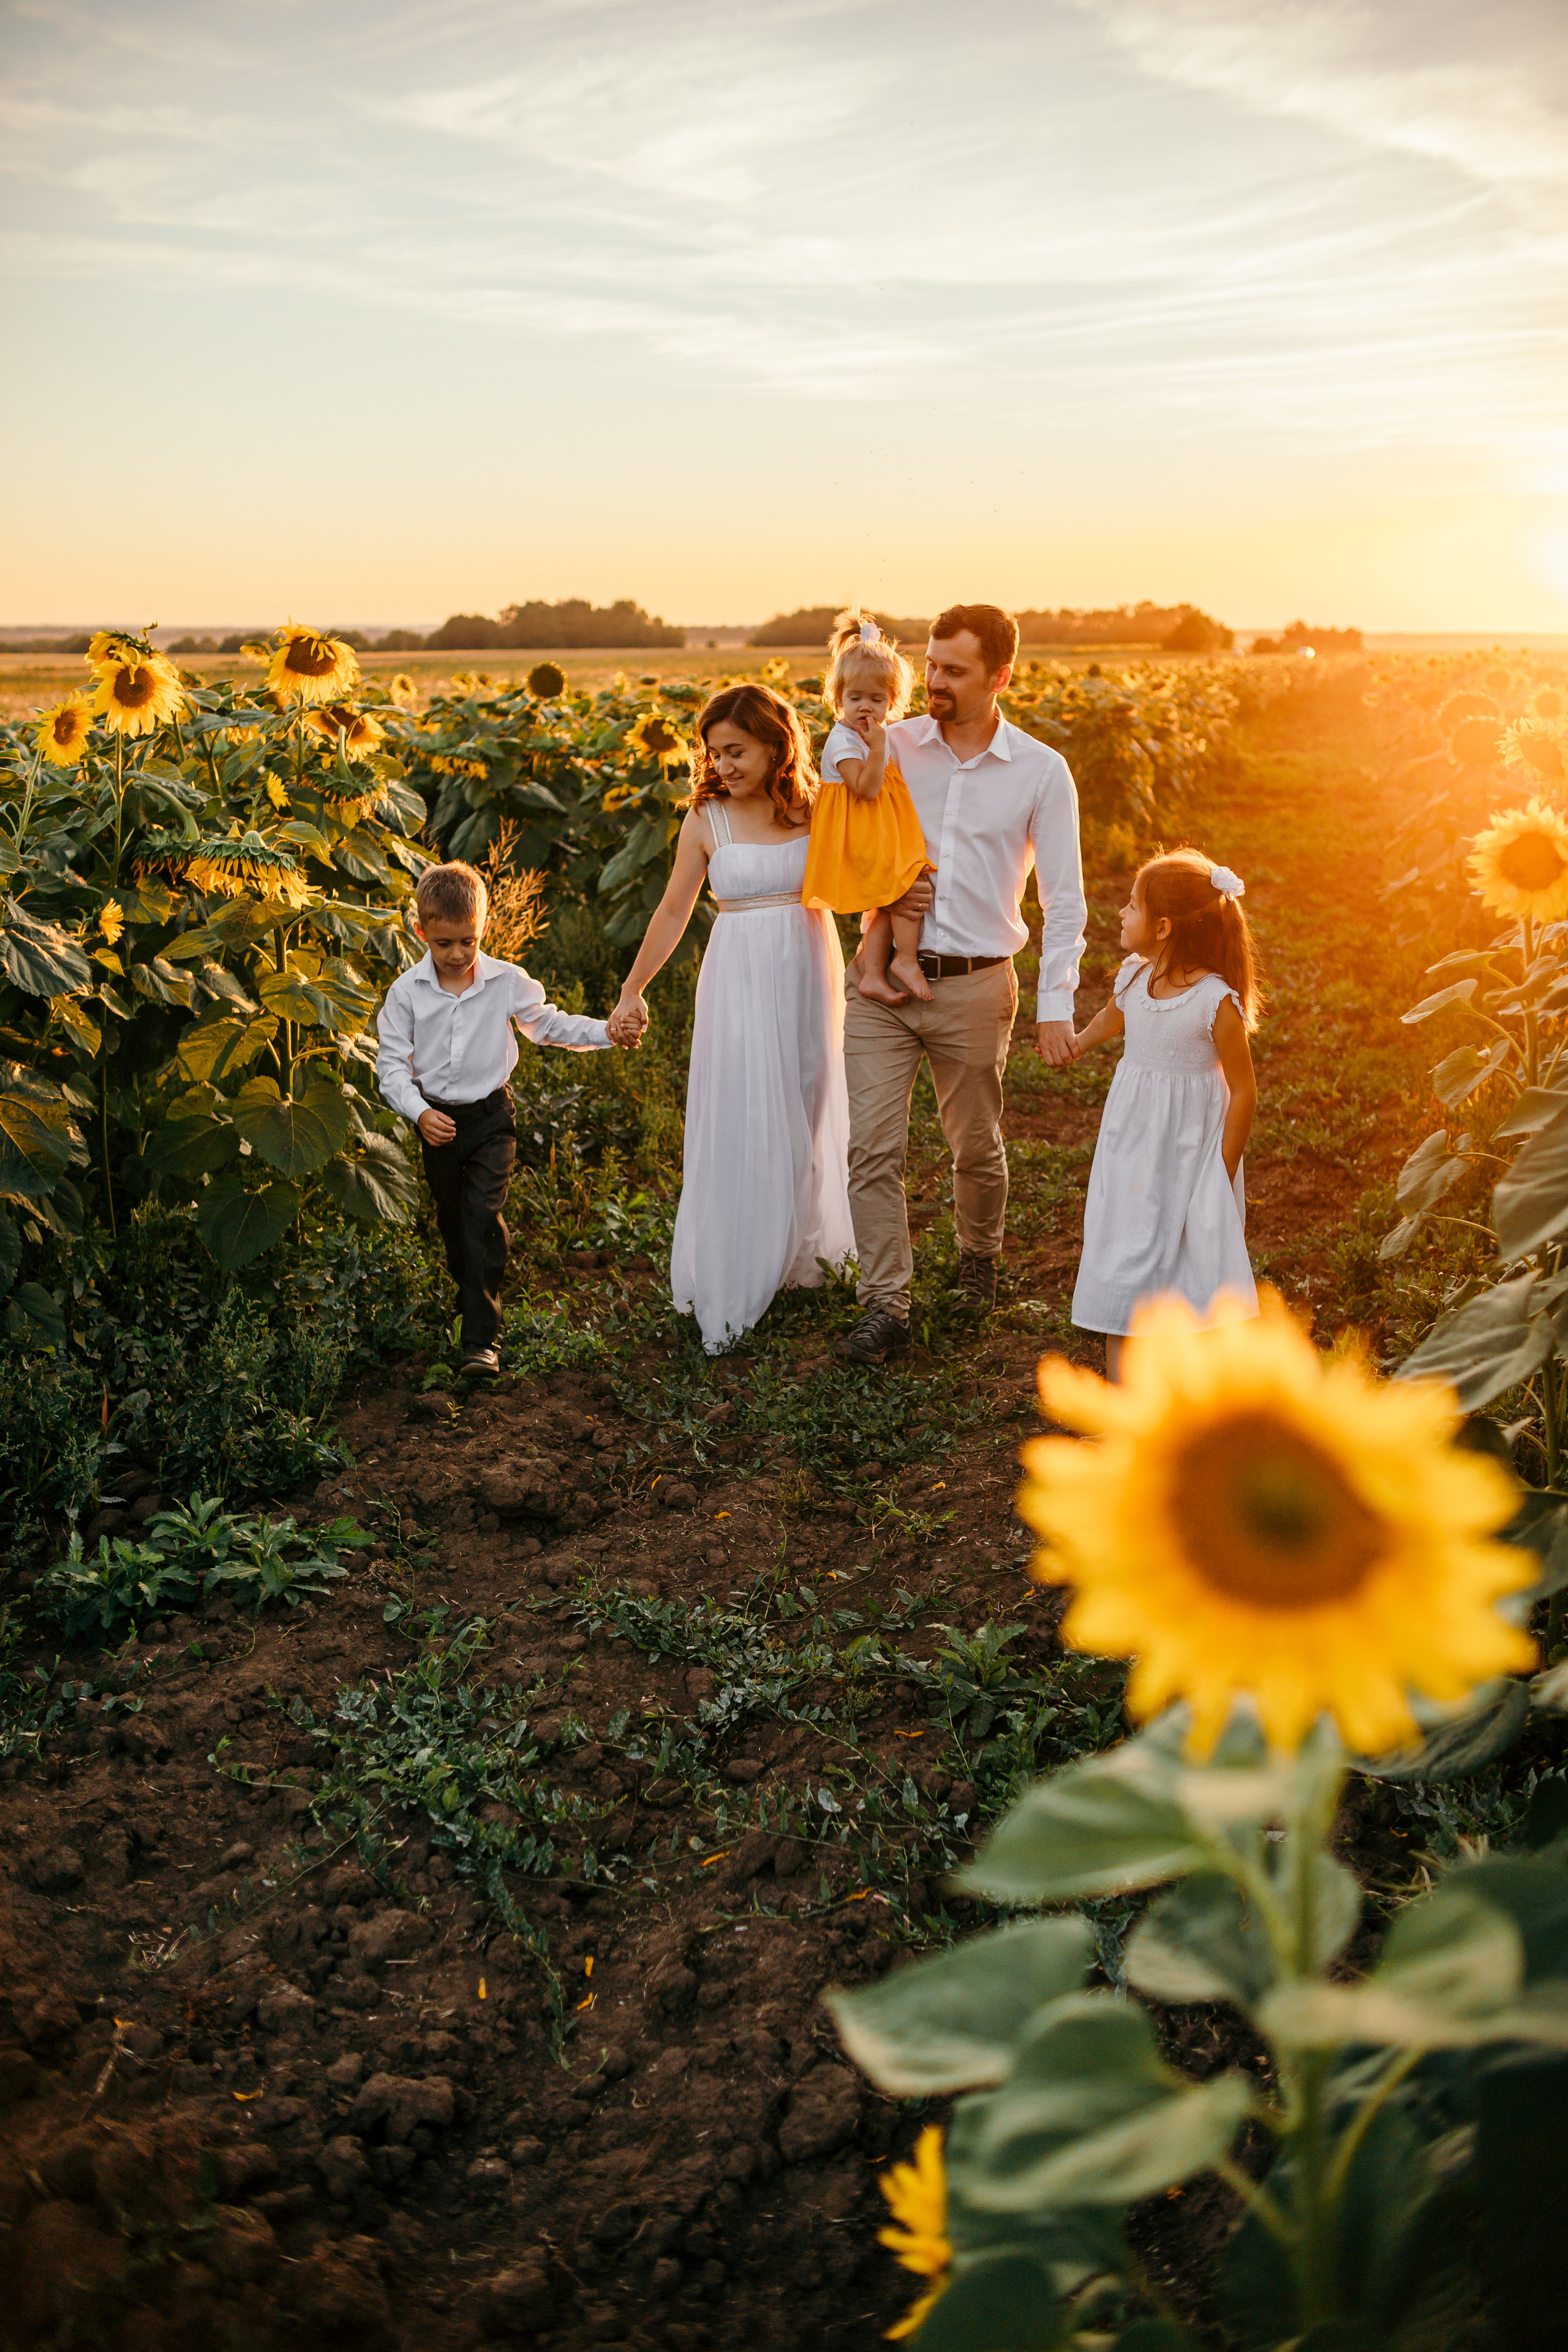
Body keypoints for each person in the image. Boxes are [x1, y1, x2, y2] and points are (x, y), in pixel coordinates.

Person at [836, 603, 1087, 1363]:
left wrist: (1055, 1005)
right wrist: (880, 905)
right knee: (871, 1152)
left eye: (954, 671)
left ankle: (977, 1260)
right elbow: (841, 839)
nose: (933, 681)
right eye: (932, 665)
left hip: (977, 985)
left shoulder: (1041, 771)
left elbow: (1066, 899)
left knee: (973, 1147)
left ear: (999, 677)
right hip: (881, 985)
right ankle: (886, 1303)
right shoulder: (893, 745)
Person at [608, 682, 854, 1354]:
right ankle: (742, 1262)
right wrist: (633, 989)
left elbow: (869, 876)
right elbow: (671, 911)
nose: (723, 766)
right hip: (739, 971)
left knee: (808, 1097)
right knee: (747, 1106)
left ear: (777, 745)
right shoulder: (705, 820)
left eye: (737, 751)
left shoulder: (817, 807)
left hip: (808, 962)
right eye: (714, 753)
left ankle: (803, 1253)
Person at [374, 860, 618, 1378]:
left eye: (469, 941)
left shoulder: (505, 981)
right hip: (437, 1123)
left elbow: (547, 1024)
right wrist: (419, 1113)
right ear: (421, 932)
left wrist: (606, 1032)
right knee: (452, 1221)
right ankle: (469, 1293)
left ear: (484, 930)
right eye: (444, 944)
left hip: (491, 1118)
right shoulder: (405, 994)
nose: (458, 954)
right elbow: (391, 1068)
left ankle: (480, 1342)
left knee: (482, 1216)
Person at [1069, 848, 1260, 1378]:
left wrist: (1220, 1174)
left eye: (1131, 906)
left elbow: (1244, 1092)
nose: (1121, 915)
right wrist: (1076, 1045)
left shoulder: (1214, 1002)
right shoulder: (1134, 977)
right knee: (1124, 1263)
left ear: (1163, 926)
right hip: (1131, 1149)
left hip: (1191, 1156)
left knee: (1193, 1272)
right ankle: (1124, 1418)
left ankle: (1195, 1411)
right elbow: (1111, 1020)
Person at [802, 609, 933, 1005]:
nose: (865, 708)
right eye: (854, 698)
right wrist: (878, 747)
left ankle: (875, 974)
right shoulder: (846, 742)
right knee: (908, 879)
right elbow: (865, 790)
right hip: (857, 832)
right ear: (837, 697)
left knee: (892, 895)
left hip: (873, 828)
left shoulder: (871, 734)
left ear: (893, 701)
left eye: (877, 699)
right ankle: (906, 960)